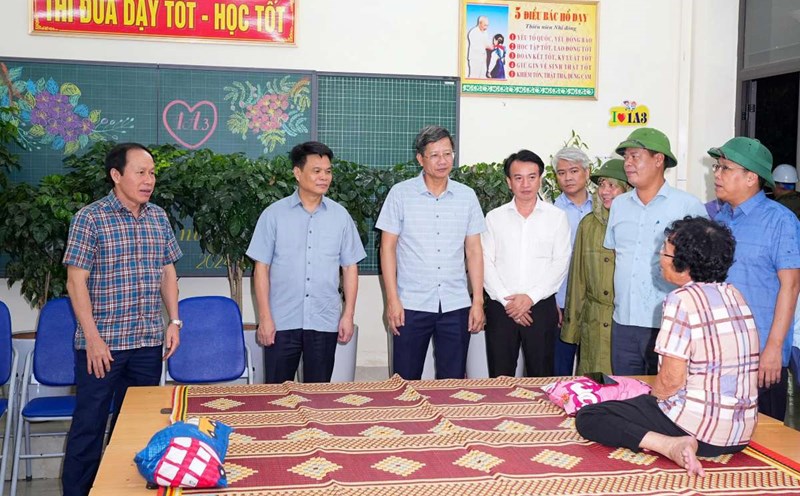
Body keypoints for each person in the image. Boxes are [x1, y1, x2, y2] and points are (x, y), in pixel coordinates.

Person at [576, 216, 760, 477]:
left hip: (699, 431)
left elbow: (671, 382)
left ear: (684, 265)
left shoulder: (680, 300)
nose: (659, 258)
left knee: (591, 416)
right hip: (740, 433)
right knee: (637, 401)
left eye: (664, 251)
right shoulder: (734, 295)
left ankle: (668, 445)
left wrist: (650, 402)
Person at [62, 143, 183, 496]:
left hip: (147, 343)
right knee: (89, 427)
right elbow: (75, 280)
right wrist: (93, 338)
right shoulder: (90, 217)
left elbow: (168, 271)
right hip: (103, 346)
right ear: (116, 175)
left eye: (152, 173)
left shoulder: (158, 217)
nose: (149, 180)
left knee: (140, 428)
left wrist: (174, 322)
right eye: (140, 172)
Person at [247, 141, 366, 384]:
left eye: (328, 171)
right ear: (298, 173)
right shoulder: (274, 215)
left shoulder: (340, 216)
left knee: (318, 397)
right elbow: (261, 269)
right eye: (317, 171)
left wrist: (348, 315)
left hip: (324, 320)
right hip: (281, 321)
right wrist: (265, 317)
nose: (324, 177)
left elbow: (350, 267)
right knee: (277, 396)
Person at [377, 125, 485, 380]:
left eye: (447, 154)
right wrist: (392, 300)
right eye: (434, 155)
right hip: (410, 303)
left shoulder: (466, 196)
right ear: (420, 159)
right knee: (404, 380)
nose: (442, 161)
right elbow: (388, 248)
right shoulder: (400, 194)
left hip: (455, 303)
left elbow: (474, 251)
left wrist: (478, 300)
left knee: (453, 381)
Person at [709, 137, 800, 421]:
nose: (716, 174)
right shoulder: (718, 220)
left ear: (751, 178)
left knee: (762, 443)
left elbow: (791, 285)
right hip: (718, 353)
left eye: (725, 168)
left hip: (760, 356)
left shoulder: (780, 221)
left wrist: (774, 348)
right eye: (717, 166)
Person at [605, 128, 707, 376]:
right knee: (627, 395)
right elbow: (618, 256)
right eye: (626, 157)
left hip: (669, 323)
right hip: (624, 322)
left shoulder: (687, 206)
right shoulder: (619, 205)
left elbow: (701, 270)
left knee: (664, 398)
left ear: (658, 159)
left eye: (635, 156)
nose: (627, 163)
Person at [481, 149, 570, 377]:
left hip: (539, 307)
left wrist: (529, 298)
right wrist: (508, 302)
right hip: (501, 308)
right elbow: (485, 262)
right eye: (518, 178)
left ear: (540, 179)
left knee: (541, 375)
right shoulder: (494, 218)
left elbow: (560, 262)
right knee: (500, 376)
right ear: (509, 182)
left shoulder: (556, 217)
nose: (526, 184)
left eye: (532, 177)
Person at [562, 159, 631, 375]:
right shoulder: (588, 224)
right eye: (602, 184)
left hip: (623, 323)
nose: (605, 191)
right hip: (593, 322)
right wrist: (571, 329)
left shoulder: (635, 223)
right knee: (591, 389)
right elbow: (578, 280)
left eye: (612, 185)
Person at [552, 146, 593, 375]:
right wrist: (552, 304)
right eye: (561, 172)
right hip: (562, 304)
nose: (567, 177)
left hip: (594, 305)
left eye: (574, 171)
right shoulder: (550, 212)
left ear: (587, 173)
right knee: (559, 371)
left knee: (592, 372)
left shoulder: (604, 208)